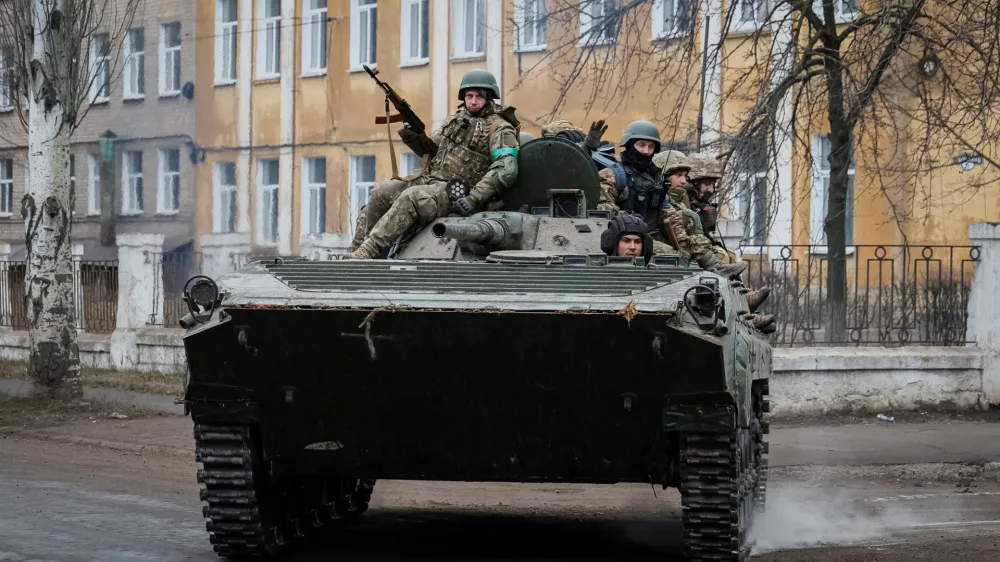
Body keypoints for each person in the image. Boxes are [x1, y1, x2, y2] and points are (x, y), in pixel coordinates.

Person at [346, 69, 520, 260]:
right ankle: (356, 251)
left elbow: (506, 168)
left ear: (489, 97)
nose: (473, 101)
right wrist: (413, 136)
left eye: (479, 96)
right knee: (381, 192)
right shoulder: (456, 120)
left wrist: (474, 198)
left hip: (457, 193)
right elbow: (430, 151)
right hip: (430, 180)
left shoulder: (499, 128)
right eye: (469, 96)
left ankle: (368, 251)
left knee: (413, 197)